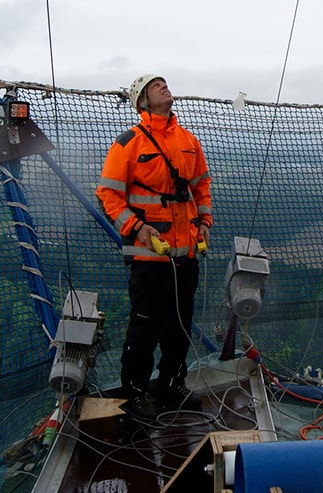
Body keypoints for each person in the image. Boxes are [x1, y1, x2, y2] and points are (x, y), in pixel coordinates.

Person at [96, 74, 213, 413]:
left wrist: (204, 222)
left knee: (179, 325)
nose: (164, 86)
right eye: (154, 85)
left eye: (164, 83)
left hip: (186, 254)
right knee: (145, 327)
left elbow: (201, 188)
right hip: (149, 256)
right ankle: (135, 392)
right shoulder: (128, 143)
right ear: (143, 101)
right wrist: (137, 227)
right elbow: (108, 193)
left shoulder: (189, 141)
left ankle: (171, 383)